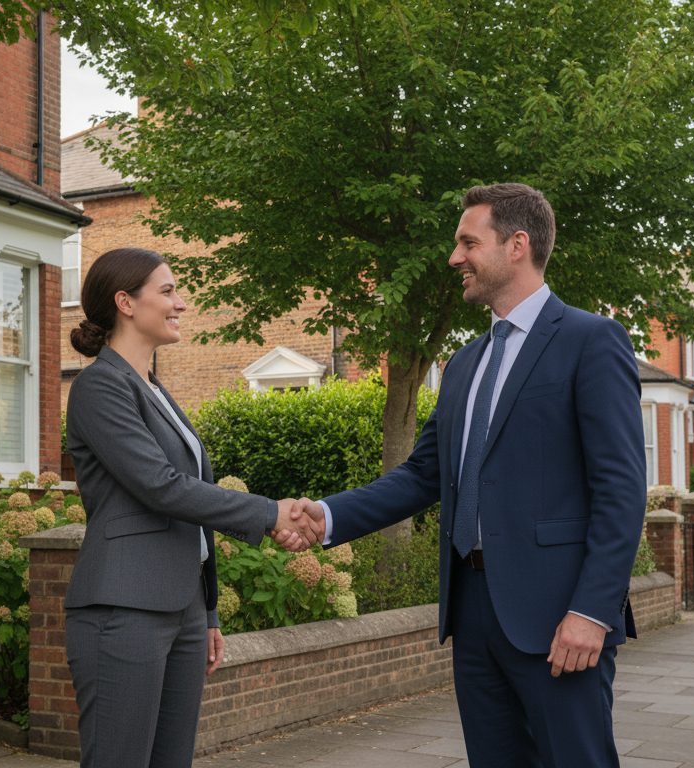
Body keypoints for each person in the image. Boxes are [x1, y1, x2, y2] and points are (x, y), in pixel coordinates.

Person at [292, 184, 645, 768]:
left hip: (559, 616)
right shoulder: (462, 364)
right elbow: (423, 475)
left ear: (517, 246)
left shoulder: (591, 341)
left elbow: (621, 488)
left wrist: (592, 611)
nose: (454, 257)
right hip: (472, 612)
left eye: (467, 242)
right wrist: (325, 516)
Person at [64, 247, 322, 768]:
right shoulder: (98, 387)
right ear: (125, 303)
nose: (181, 303)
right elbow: (161, 487)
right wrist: (271, 513)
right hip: (124, 606)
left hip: (180, 612)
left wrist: (206, 611)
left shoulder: (155, 390)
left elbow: (189, 506)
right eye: (168, 291)